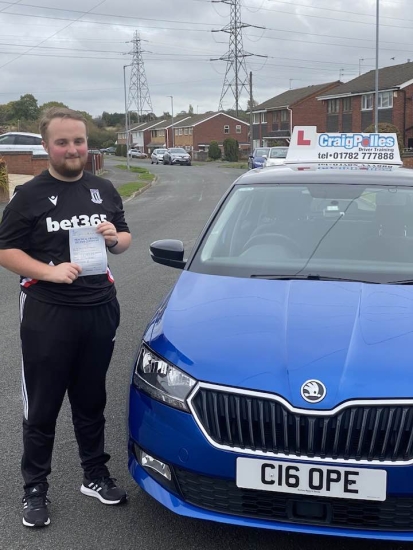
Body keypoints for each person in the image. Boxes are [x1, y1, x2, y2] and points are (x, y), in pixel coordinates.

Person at [0, 107, 132, 528]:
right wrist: (49, 271)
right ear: (46, 147)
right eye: (63, 142)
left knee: (91, 400)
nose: (73, 149)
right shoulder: (30, 196)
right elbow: (6, 251)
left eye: (78, 141)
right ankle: (34, 488)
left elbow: (125, 237)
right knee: (42, 406)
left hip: (99, 309)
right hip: (48, 314)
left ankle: (94, 474)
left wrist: (115, 238)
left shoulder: (104, 188)